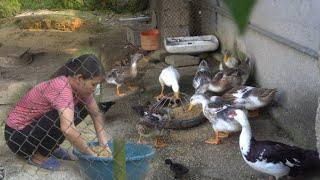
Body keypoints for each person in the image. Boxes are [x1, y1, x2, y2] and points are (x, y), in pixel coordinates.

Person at [4, 54, 113, 170]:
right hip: (17, 137)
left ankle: (49, 147)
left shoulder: (80, 89)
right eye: (93, 84)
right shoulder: (61, 87)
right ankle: (39, 155)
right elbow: (68, 129)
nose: (94, 88)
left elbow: (96, 113)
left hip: (33, 128)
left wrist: (103, 143)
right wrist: (92, 155)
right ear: (80, 79)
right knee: (64, 116)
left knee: (80, 109)